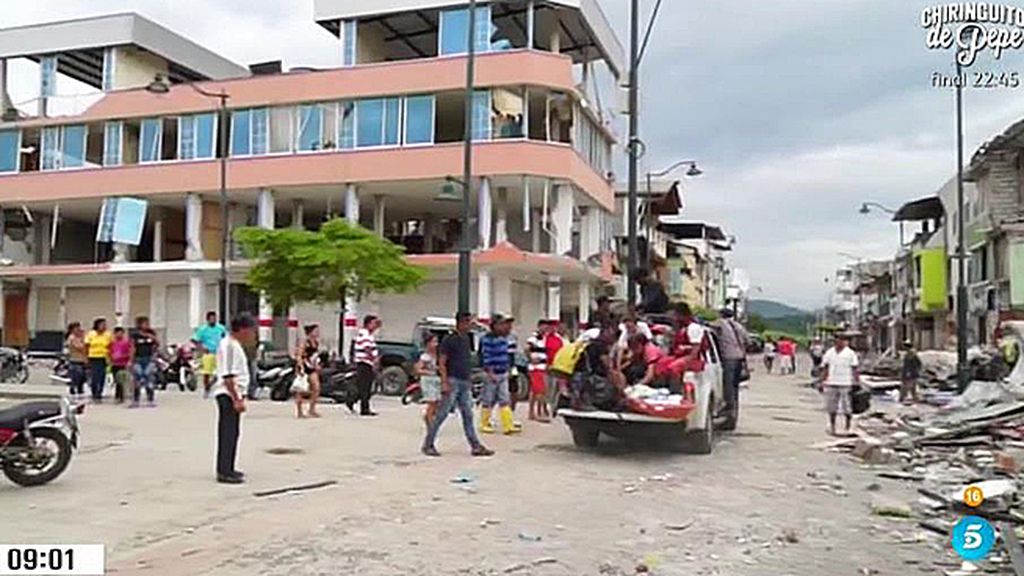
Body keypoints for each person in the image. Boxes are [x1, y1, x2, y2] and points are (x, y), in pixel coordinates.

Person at [422, 312, 495, 458]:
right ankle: (428, 443)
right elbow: (442, 362)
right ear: (460, 323)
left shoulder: (466, 339)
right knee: (441, 414)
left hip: (464, 380)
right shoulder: (450, 339)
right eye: (467, 322)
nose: (469, 325)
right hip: (453, 379)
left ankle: (475, 445)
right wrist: (444, 382)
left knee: (468, 414)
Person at [212, 313, 256, 484]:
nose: (252, 335)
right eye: (251, 330)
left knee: (233, 432)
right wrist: (237, 399)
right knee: (228, 433)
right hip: (228, 394)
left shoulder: (235, 345)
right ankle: (224, 471)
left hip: (234, 393)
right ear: (243, 329)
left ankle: (229, 467)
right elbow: (228, 376)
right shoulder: (228, 345)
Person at [480, 314, 521, 435]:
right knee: (488, 398)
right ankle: (484, 423)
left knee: (504, 399)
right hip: (492, 373)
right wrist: (489, 372)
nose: (504, 327)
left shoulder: (504, 339)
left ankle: (508, 424)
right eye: (501, 324)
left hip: (503, 372)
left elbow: (506, 357)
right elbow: (486, 356)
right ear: (494, 325)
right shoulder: (486, 339)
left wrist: (508, 370)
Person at [821, 333, 860, 437]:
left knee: (847, 406)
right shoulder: (829, 353)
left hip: (846, 382)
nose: (839, 342)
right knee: (831, 407)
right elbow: (826, 367)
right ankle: (832, 426)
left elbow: (854, 368)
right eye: (837, 340)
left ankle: (847, 426)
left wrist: (856, 381)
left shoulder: (850, 353)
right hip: (831, 382)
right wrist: (823, 380)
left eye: (841, 340)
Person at [716, 308, 748, 430]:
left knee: (727, 387)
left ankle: (728, 412)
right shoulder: (738, 326)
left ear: (721, 315)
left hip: (727, 358)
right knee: (734, 388)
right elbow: (747, 340)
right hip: (739, 358)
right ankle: (733, 416)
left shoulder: (720, 323)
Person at [351, 315, 381, 416]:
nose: (375, 325)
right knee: (365, 386)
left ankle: (356, 402)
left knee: (365, 386)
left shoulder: (368, 334)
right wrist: (374, 359)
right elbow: (367, 348)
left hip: (367, 362)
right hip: (364, 362)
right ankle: (363, 407)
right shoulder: (364, 334)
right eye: (373, 323)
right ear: (368, 324)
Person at [194, 311, 228, 398]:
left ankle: (211, 384)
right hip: (208, 353)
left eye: (215, 318)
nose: (213, 320)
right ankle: (206, 388)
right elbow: (196, 340)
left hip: (219, 353)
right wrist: (202, 348)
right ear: (208, 320)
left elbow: (226, 337)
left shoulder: (221, 328)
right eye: (211, 319)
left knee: (220, 372)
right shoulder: (203, 329)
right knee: (207, 373)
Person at [294, 324, 323, 419]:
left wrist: (317, 365)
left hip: (312, 367)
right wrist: (301, 367)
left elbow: (315, 355)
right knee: (301, 389)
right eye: (315, 331)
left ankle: (312, 409)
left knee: (316, 387)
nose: (317, 333)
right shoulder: (304, 342)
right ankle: (299, 411)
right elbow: (299, 355)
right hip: (304, 366)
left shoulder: (316, 342)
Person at [526, 321, 552, 422]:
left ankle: (532, 412)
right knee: (540, 390)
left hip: (541, 366)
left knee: (534, 391)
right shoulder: (535, 337)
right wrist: (531, 359)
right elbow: (527, 348)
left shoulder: (544, 339)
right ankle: (540, 413)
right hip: (536, 367)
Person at [131, 316, 160, 408]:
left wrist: (149, 336)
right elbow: (132, 347)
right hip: (138, 359)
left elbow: (157, 343)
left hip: (149, 358)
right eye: (144, 323)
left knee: (149, 378)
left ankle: (150, 399)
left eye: (147, 323)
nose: (146, 325)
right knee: (137, 379)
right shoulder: (134, 334)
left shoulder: (151, 333)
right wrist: (131, 361)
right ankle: (136, 400)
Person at [416, 334, 442, 429]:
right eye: (433, 342)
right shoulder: (425, 356)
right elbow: (418, 370)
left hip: (437, 381)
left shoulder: (439, 355)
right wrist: (430, 372)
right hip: (428, 381)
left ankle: (428, 416)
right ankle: (431, 425)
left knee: (438, 403)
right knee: (432, 402)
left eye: (436, 342)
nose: (435, 344)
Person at [84, 318, 112, 402]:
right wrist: (86, 358)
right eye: (102, 324)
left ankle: (100, 392)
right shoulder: (91, 334)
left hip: (103, 357)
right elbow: (87, 346)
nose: (104, 326)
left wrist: (110, 358)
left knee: (102, 376)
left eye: (105, 324)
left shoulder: (108, 334)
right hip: (93, 357)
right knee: (95, 376)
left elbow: (110, 346)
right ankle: (94, 392)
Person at [109, 327, 133, 404]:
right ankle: (118, 396)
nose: (119, 334)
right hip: (115, 364)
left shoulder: (126, 342)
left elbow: (130, 351)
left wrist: (129, 361)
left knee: (122, 380)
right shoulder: (112, 343)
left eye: (121, 333)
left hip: (123, 363)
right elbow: (109, 352)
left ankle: (121, 396)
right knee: (117, 380)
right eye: (117, 333)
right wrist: (110, 359)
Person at [65, 322, 88, 400]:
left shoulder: (79, 338)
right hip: (75, 360)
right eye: (76, 328)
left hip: (81, 360)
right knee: (76, 378)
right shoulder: (72, 338)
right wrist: (83, 339)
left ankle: (79, 391)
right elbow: (80, 347)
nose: (79, 330)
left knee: (82, 378)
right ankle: (74, 393)